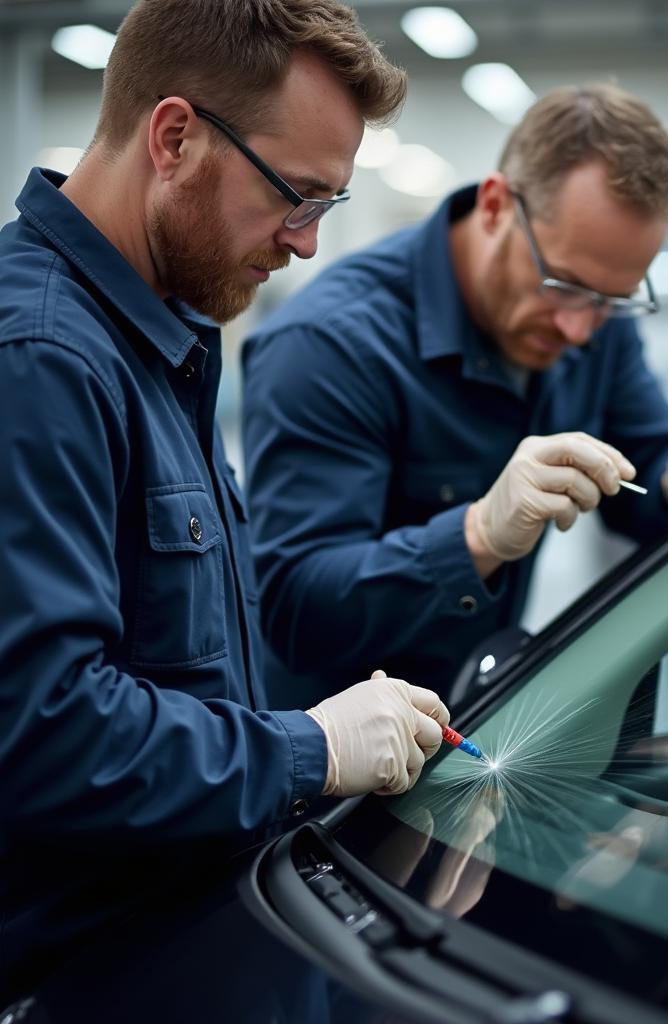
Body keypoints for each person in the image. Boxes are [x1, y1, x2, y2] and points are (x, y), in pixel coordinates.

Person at [0, 0, 450, 1001]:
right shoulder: (42, 361)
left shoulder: (161, 338)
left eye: (325, 209)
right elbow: (43, 730)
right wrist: (313, 746)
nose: (304, 246)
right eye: (297, 197)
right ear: (174, 137)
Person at [242, 83, 668, 709]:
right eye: (563, 285)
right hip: (335, 779)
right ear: (493, 207)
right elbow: (292, 613)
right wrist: (478, 535)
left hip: (472, 735)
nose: (580, 329)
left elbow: (643, 469)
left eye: (611, 299)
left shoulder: (594, 319)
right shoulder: (330, 345)